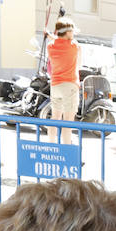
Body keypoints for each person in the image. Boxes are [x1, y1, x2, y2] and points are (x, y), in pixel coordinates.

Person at [46, 16, 81, 145]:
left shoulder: (50, 46)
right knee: (67, 122)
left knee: (55, 118)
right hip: (69, 86)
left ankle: (52, 146)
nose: (73, 33)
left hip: (55, 86)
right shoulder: (74, 46)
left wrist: (51, 34)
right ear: (67, 32)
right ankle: (66, 150)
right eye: (71, 31)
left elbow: (56, 40)